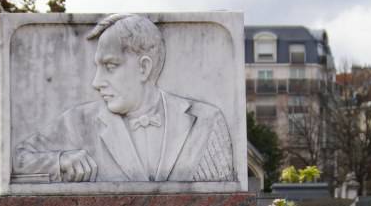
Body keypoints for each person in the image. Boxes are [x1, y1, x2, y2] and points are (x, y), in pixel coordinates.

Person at [13, 13, 234, 183]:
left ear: (144, 68)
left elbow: (224, 203)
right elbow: (17, 160)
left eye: (110, 66)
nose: (96, 82)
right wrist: (60, 160)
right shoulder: (79, 122)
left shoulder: (206, 121)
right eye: (98, 67)